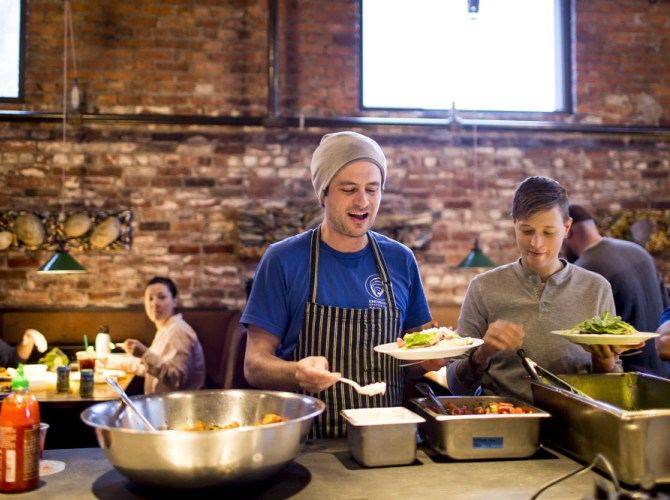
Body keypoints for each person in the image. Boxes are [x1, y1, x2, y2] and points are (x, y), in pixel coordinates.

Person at [241, 131, 442, 438]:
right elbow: (254, 365)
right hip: (310, 446)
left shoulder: (400, 260)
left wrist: (431, 358)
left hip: (387, 440)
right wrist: (296, 372)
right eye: (349, 189)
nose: (363, 201)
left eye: (372, 190)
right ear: (324, 193)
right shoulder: (283, 260)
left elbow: (416, 356)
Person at [446, 176, 640, 404]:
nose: (536, 244)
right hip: (506, 424)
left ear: (567, 228)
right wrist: (482, 354)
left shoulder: (596, 288)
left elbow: (612, 388)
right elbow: (455, 385)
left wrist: (604, 359)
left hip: (578, 426)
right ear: (514, 223)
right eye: (527, 231)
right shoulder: (483, 287)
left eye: (548, 233)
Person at [562, 204, 670, 377]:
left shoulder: (586, 270)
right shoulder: (638, 251)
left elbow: (585, 339)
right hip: (663, 372)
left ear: (568, 232)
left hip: (628, 378)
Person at [107, 276, 206, 394]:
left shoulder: (178, 331)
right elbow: (149, 368)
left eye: (161, 297)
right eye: (150, 298)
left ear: (175, 301)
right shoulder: (165, 330)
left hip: (178, 407)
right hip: (163, 404)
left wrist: (144, 353)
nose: (155, 303)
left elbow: (176, 379)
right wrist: (108, 360)